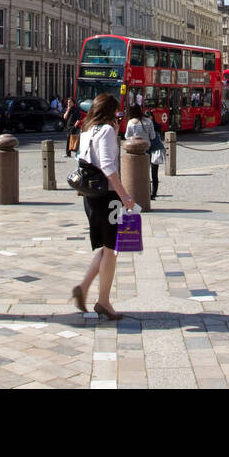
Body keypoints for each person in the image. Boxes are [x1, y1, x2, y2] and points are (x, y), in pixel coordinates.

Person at [70, 93, 135, 321]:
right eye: (117, 112)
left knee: (107, 248)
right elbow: (108, 166)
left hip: (91, 196)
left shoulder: (87, 130)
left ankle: (84, 287)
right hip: (107, 197)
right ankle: (104, 301)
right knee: (112, 249)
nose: (118, 117)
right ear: (109, 112)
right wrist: (125, 196)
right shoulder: (106, 130)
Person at [125, 103, 160, 201]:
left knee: (136, 173)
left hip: (134, 151)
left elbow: (127, 136)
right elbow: (153, 136)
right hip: (147, 148)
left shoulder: (131, 122)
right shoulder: (148, 121)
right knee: (146, 172)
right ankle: (148, 192)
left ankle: (136, 192)